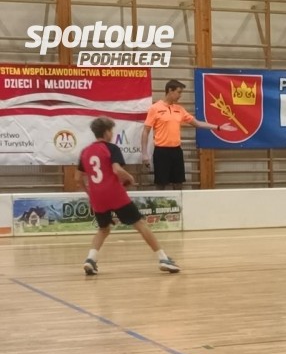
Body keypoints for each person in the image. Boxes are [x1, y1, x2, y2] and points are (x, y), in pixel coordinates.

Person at [77, 117, 181, 276]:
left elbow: (78, 178)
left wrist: (89, 193)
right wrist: (130, 178)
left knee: (103, 229)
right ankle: (163, 259)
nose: (112, 134)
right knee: (140, 224)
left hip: (97, 197)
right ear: (106, 132)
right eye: (111, 131)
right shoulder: (111, 148)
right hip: (114, 193)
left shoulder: (85, 152)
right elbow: (117, 169)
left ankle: (90, 260)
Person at [141, 79, 236, 190]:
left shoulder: (180, 109)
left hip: (176, 151)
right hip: (161, 151)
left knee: (178, 182)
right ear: (170, 90)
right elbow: (146, 131)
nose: (180, 95)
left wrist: (218, 127)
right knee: (161, 183)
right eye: (179, 92)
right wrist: (144, 154)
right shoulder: (155, 108)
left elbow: (198, 123)